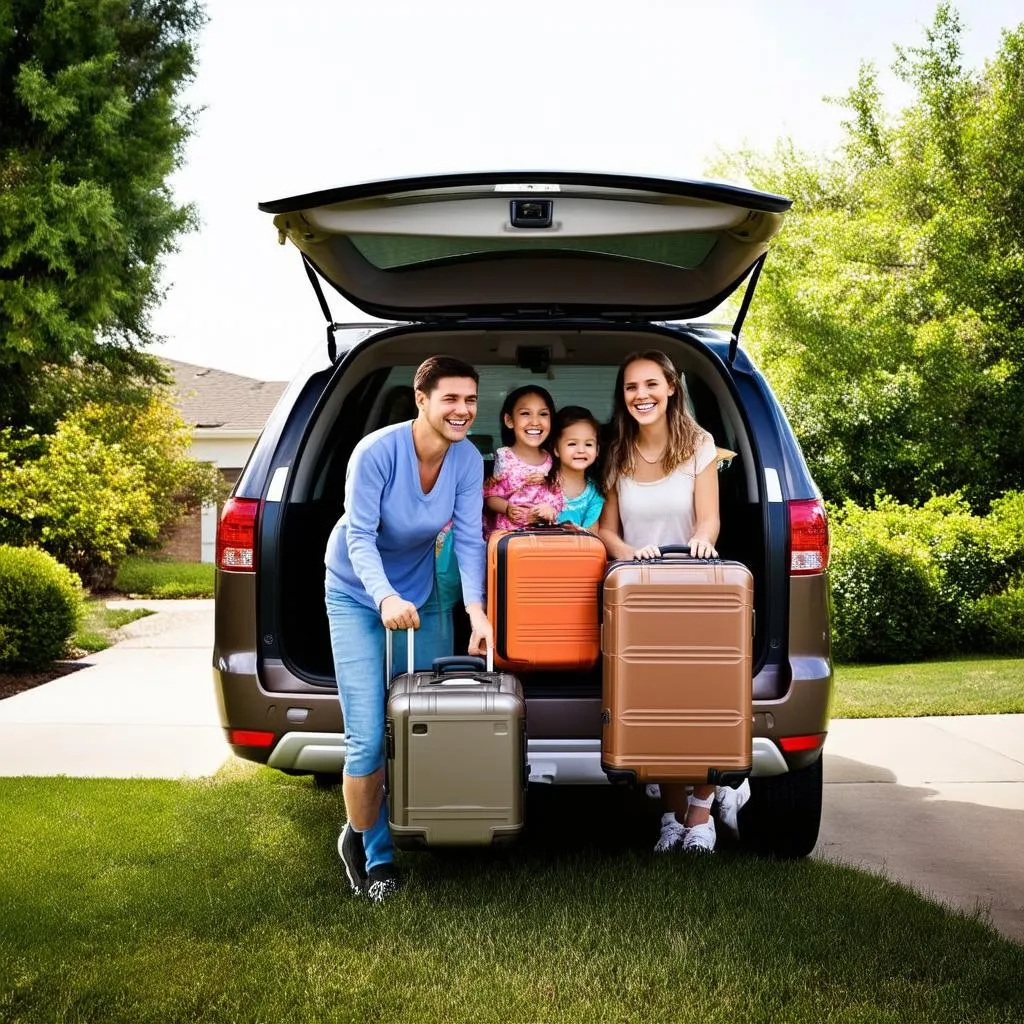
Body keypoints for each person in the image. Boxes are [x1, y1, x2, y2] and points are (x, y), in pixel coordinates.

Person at [324, 356, 493, 902]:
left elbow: (469, 539)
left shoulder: (467, 460)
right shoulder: (376, 453)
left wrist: (476, 611)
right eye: (451, 399)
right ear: (421, 400)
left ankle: (419, 825)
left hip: (420, 596)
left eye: (470, 399)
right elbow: (360, 538)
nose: (462, 410)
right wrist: (384, 596)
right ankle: (372, 855)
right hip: (357, 592)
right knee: (369, 736)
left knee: (428, 724)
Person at [598, 349, 741, 854]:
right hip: (638, 596)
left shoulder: (700, 446)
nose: (642, 395)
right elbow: (606, 531)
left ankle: (701, 812)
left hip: (694, 589)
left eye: (651, 385)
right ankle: (671, 813)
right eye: (632, 387)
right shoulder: (615, 453)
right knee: (655, 704)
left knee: (701, 699)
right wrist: (631, 554)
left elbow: (709, 519)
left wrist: (702, 541)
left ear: (671, 388)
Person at [483, 385, 563, 535]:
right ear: (509, 420)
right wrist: (507, 507)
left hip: (544, 537)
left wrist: (550, 510)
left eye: (543, 414)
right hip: (510, 538)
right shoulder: (505, 458)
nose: (535, 421)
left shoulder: (552, 459)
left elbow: (559, 496)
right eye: (525, 413)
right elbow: (490, 496)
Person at [549, 405, 605, 533]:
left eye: (589, 444)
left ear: (597, 450)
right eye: (572, 444)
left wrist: (580, 531)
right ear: (556, 449)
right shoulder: (543, 483)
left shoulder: (594, 495)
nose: (581, 450)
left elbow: (593, 538)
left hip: (578, 552)